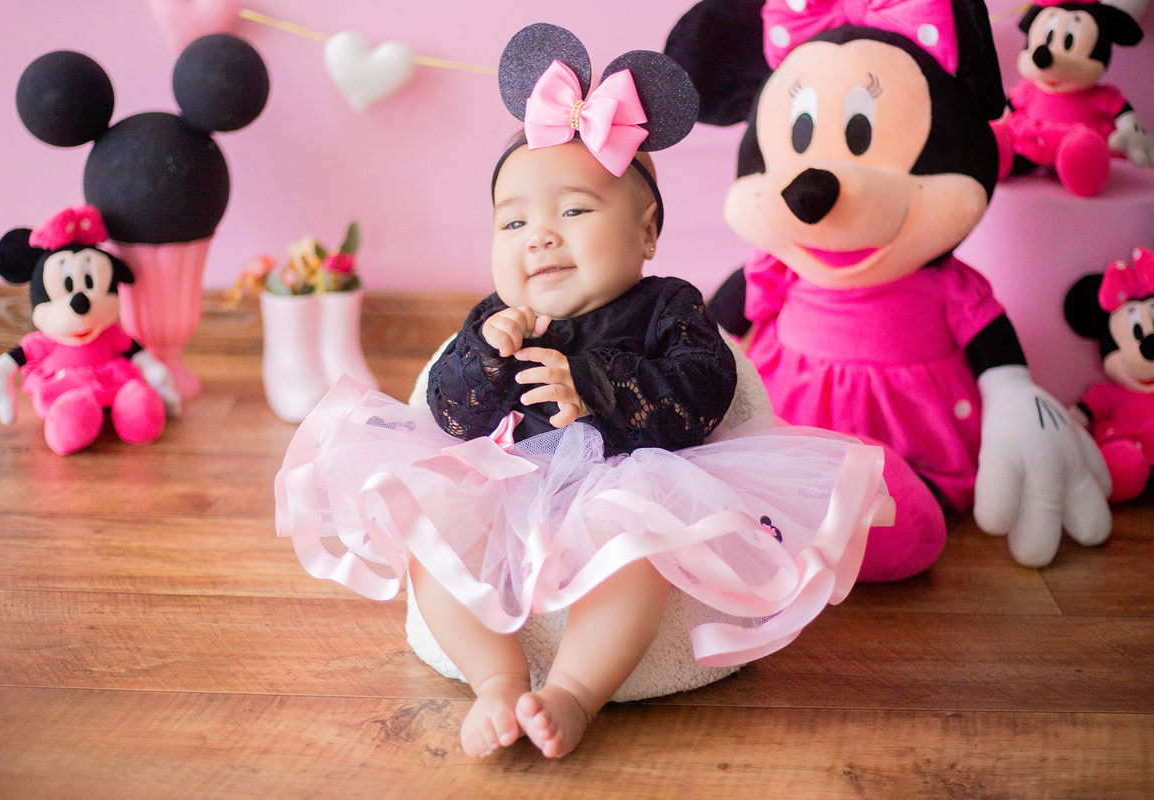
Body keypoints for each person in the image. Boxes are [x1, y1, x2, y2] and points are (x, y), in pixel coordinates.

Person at [275, 23, 889, 760]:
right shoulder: (492, 323)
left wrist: (595, 386)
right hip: (507, 484)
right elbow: (444, 413)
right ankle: (497, 680)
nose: (540, 236)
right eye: (514, 221)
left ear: (648, 231)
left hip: (629, 481)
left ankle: (572, 690)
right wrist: (483, 357)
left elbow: (704, 392)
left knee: (634, 553)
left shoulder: (669, 307)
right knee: (432, 538)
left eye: (572, 211)